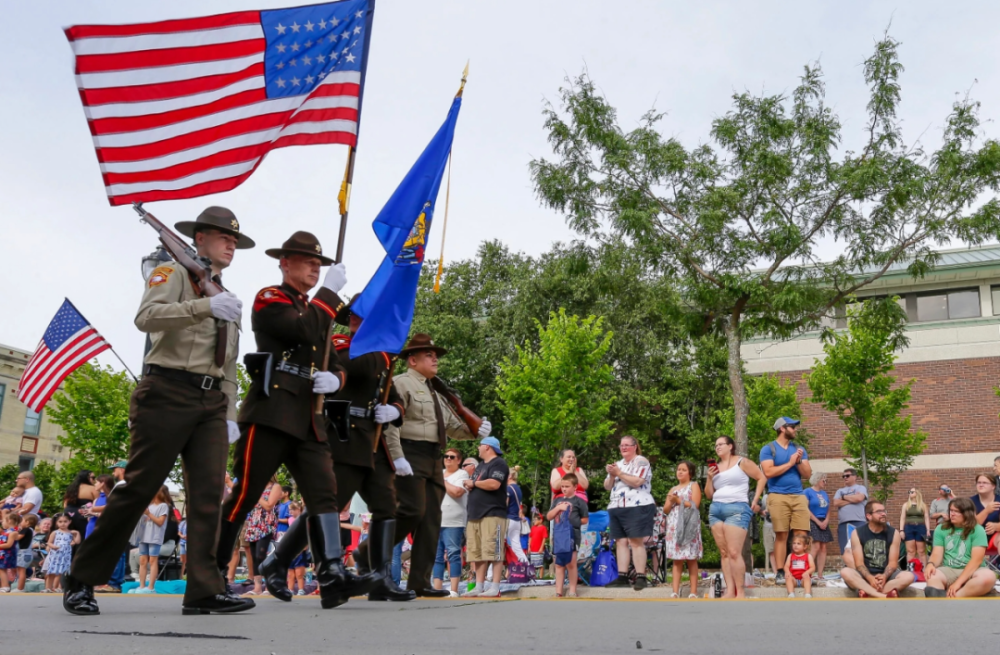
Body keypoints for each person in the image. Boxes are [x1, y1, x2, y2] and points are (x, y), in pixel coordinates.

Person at [64, 207, 254, 617]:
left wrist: (230, 413)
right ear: (198, 238)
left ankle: (204, 588)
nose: (231, 244)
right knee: (137, 488)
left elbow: (229, 363)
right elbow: (146, 319)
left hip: (210, 401)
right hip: (167, 390)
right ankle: (81, 577)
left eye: (235, 240)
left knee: (207, 497)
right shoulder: (172, 274)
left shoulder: (224, 292)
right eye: (224, 237)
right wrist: (203, 309)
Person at [215, 231, 379, 611]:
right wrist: (330, 293)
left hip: (308, 417)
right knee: (245, 495)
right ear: (284, 263)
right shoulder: (271, 298)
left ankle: (332, 575)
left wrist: (335, 379)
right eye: (307, 262)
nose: (314, 268)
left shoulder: (315, 310)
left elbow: (336, 363)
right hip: (272, 412)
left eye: (318, 264)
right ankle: (214, 571)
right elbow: (302, 329)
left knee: (325, 496)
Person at [262, 301, 411, 603]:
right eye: (358, 316)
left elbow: (392, 394)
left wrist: (394, 411)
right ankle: (278, 560)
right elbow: (356, 367)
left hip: (372, 441)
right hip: (344, 437)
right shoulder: (344, 344)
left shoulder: (381, 355)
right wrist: (385, 348)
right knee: (324, 509)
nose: (360, 320)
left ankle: (380, 577)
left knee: (387, 505)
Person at [370, 333, 491, 600]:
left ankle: (419, 582)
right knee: (411, 510)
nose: (435, 358)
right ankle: (369, 550)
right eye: (428, 355)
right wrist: (397, 456)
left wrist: (476, 429)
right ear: (412, 360)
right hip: (408, 452)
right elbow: (390, 424)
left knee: (431, 519)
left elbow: (452, 427)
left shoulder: (435, 391)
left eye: (435, 355)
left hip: (432, 456)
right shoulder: (400, 384)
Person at [705, 435, 766, 598]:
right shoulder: (715, 468)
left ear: (730, 446)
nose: (717, 447)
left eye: (721, 444)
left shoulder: (741, 462)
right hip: (716, 509)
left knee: (733, 552)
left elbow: (761, 478)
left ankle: (740, 591)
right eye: (716, 445)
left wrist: (754, 499)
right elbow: (709, 494)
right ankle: (730, 590)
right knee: (724, 552)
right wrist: (710, 478)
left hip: (737, 507)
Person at [759, 417, 811, 583]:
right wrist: (790, 463)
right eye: (793, 427)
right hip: (778, 495)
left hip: (798, 495)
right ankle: (781, 571)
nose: (796, 429)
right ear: (782, 428)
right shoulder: (768, 449)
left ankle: (802, 571)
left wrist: (799, 461)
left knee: (802, 535)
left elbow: (808, 475)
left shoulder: (799, 448)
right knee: (781, 535)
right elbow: (768, 472)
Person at [603, 435, 656, 591]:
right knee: (620, 541)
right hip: (617, 505)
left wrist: (618, 473)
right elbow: (607, 486)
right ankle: (622, 576)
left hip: (637, 504)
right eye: (621, 445)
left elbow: (637, 482)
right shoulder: (617, 464)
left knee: (635, 541)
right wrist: (612, 475)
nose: (623, 448)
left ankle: (641, 576)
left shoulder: (641, 461)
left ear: (634, 446)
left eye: (626, 445)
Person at [462, 437, 510, 598]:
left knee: (494, 551)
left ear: (488, 447)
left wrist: (474, 483)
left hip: (492, 514)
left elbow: (494, 484)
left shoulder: (499, 464)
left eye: (480, 445)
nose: (478, 447)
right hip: (475, 515)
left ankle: (495, 586)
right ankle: (479, 586)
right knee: (477, 553)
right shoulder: (481, 466)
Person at [924, 497, 997, 598]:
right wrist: (931, 564)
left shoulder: (977, 529)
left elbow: (976, 560)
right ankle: (939, 600)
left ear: (967, 513)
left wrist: (957, 583)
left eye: (956, 511)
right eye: (951, 510)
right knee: (932, 576)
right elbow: (937, 553)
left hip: (974, 570)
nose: (952, 514)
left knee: (988, 577)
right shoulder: (941, 528)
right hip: (949, 569)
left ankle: (954, 597)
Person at [840, 500, 914, 598]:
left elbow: (893, 563)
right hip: (865, 575)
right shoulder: (857, 533)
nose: (883, 514)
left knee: (909, 576)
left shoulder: (894, 533)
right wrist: (870, 578)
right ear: (868, 516)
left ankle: (868, 592)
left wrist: (884, 576)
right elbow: (859, 564)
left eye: (884, 511)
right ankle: (883, 596)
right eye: (879, 512)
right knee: (845, 572)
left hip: (886, 576)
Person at [432, 448, 471, 596]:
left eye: (452, 457)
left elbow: (457, 492)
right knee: (436, 555)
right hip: (436, 519)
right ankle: (436, 589)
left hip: (453, 521)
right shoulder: (439, 473)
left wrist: (440, 480)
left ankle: (453, 589)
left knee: (454, 553)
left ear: (459, 460)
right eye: (446, 456)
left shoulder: (462, 474)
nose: (448, 459)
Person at [546, 474, 589, 597]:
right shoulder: (557, 501)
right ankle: (558, 591)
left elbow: (585, 519)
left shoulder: (579, 502)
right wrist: (558, 508)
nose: (564, 489)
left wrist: (573, 522)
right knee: (559, 563)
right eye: (562, 486)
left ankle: (572, 590)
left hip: (572, 534)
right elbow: (549, 516)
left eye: (567, 486)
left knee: (571, 562)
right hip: (559, 535)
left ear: (575, 487)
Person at [664, 461, 703, 598]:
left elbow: (695, 504)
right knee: (677, 559)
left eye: (683, 470)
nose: (679, 472)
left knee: (691, 558)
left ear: (690, 473)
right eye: (678, 469)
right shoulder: (673, 488)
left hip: (689, 524)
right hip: (674, 524)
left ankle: (693, 592)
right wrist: (671, 500)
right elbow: (666, 509)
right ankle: (674, 591)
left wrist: (678, 500)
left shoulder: (694, 485)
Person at [245, 481, 281, 596]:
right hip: (253, 523)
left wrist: (256, 495)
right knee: (254, 556)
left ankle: (269, 586)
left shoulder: (275, 487)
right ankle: (257, 588)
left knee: (262, 555)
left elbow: (269, 506)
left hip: (266, 524)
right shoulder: (256, 486)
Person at [132, 486, 170, 595]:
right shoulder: (149, 505)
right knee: (142, 561)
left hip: (154, 537)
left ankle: (151, 587)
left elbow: (160, 522)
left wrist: (148, 514)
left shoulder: (163, 506)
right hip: (143, 536)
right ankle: (142, 585)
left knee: (153, 561)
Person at [833, 468, 868, 555]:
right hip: (844, 523)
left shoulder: (861, 488)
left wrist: (844, 497)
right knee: (845, 547)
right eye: (843, 476)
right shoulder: (840, 491)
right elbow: (836, 502)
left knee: (861, 545)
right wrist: (853, 499)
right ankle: (848, 566)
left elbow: (860, 498)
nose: (845, 477)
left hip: (859, 522)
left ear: (855, 477)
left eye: (847, 475)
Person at [804, 472, 832, 580]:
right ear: (817, 480)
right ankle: (809, 572)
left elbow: (829, 508)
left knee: (823, 547)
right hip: (812, 520)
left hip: (823, 521)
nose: (825, 483)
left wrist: (826, 520)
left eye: (826, 480)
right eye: (823, 480)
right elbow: (806, 509)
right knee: (815, 546)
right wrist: (817, 522)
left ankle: (820, 574)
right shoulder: (807, 492)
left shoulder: (824, 494)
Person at [47, 513, 80, 593]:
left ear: (69, 522)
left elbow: (77, 542)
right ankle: (48, 588)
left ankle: (57, 587)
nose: (63, 524)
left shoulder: (71, 533)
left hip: (65, 555)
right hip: (56, 555)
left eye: (65, 521)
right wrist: (53, 546)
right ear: (57, 523)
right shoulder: (55, 532)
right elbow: (49, 542)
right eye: (60, 522)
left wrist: (77, 534)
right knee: (52, 572)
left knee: (61, 572)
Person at [899, 488, 931, 567]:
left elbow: (926, 518)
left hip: (920, 527)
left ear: (917, 493)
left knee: (921, 551)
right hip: (908, 527)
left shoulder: (923, 505)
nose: (910, 493)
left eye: (912, 492)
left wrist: (928, 530)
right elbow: (902, 517)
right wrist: (901, 530)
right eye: (909, 492)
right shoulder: (906, 505)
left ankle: (923, 570)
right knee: (910, 551)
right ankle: (911, 570)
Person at [506, 466, 529, 565]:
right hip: (516, 521)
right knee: (517, 547)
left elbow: (505, 505)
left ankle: (490, 574)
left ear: (510, 476)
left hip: (508, 520)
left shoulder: (508, 488)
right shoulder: (518, 489)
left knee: (498, 547)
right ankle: (528, 568)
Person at [83, 474, 114, 539]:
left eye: (97, 482)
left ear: (102, 483)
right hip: (91, 527)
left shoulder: (111, 499)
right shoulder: (96, 499)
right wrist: (86, 512)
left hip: (103, 528)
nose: (95, 484)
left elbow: (108, 516)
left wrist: (92, 513)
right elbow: (89, 518)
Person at [784, 534, 815, 598]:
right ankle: (791, 594)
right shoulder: (790, 556)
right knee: (788, 578)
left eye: (798, 544)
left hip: (804, 579)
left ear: (805, 547)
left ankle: (808, 594)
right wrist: (787, 572)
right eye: (794, 543)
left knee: (807, 578)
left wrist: (807, 572)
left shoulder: (808, 556)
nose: (795, 545)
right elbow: (786, 566)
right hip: (794, 579)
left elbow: (813, 567)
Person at [0, 512, 21, 592]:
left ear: (9, 521)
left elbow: (9, 545)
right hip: (3, 553)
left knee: (2, 569)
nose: (2, 523)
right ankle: (4, 586)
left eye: (3, 521)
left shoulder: (13, 532)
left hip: (7, 554)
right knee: (2, 569)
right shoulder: (7, 531)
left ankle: (5, 586)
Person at [528, 513, 548, 578]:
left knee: (540, 564)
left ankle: (541, 577)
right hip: (533, 549)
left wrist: (541, 548)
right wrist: (529, 547)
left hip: (539, 549)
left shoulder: (543, 528)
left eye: (536, 520)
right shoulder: (533, 528)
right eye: (534, 520)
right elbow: (530, 537)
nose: (534, 521)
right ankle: (533, 577)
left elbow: (544, 538)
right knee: (533, 564)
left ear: (540, 520)